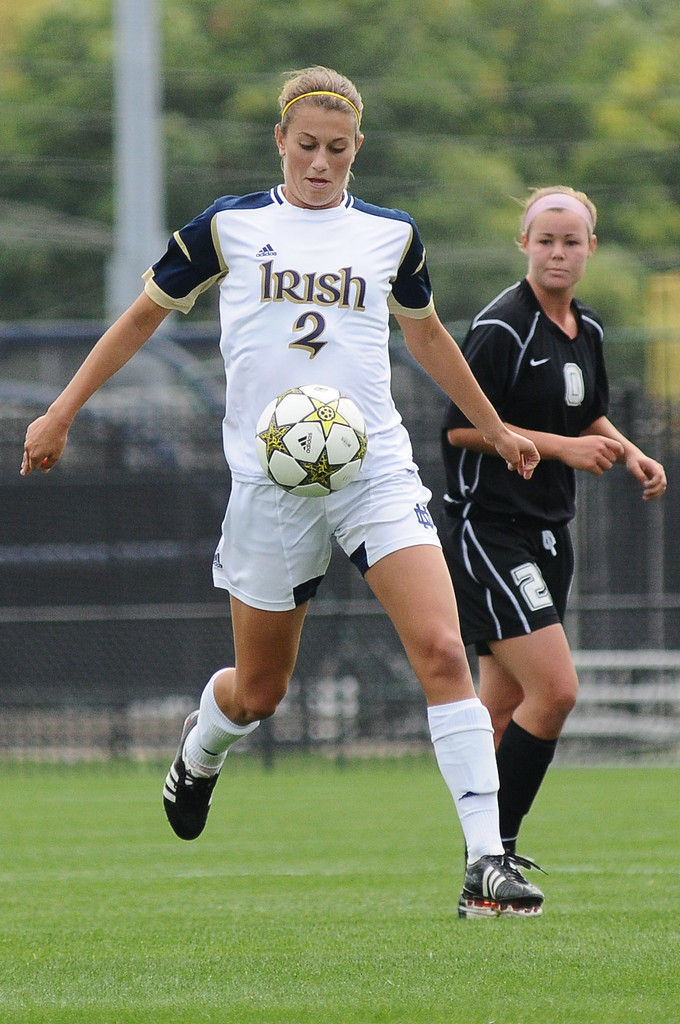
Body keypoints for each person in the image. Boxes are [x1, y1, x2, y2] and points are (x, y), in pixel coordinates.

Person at [22, 66, 545, 919]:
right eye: (306, 147)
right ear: (281, 142)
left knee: (447, 654)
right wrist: (60, 412)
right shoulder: (229, 226)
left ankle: (485, 863)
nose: (319, 164)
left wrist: (493, 425)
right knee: (260, 692)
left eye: (337, 151)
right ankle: (202, 749)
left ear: (357, 151)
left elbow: (428, 336)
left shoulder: (391, 236)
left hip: (371, 467)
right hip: (271, 484)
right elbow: (141, 318)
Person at [439, 185, 667, 866]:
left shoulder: (587, 330)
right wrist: (564, 449)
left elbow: (586, 412)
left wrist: (629, 450)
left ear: (591, 248)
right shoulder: (500, 328)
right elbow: (457, 430)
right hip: (492, 530)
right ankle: (492, 856)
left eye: (571, 242)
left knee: (505, 704)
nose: (558, 253)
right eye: (546, 240)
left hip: (547, 531)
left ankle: (488, 860)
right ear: (524, 245)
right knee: (558, 690)